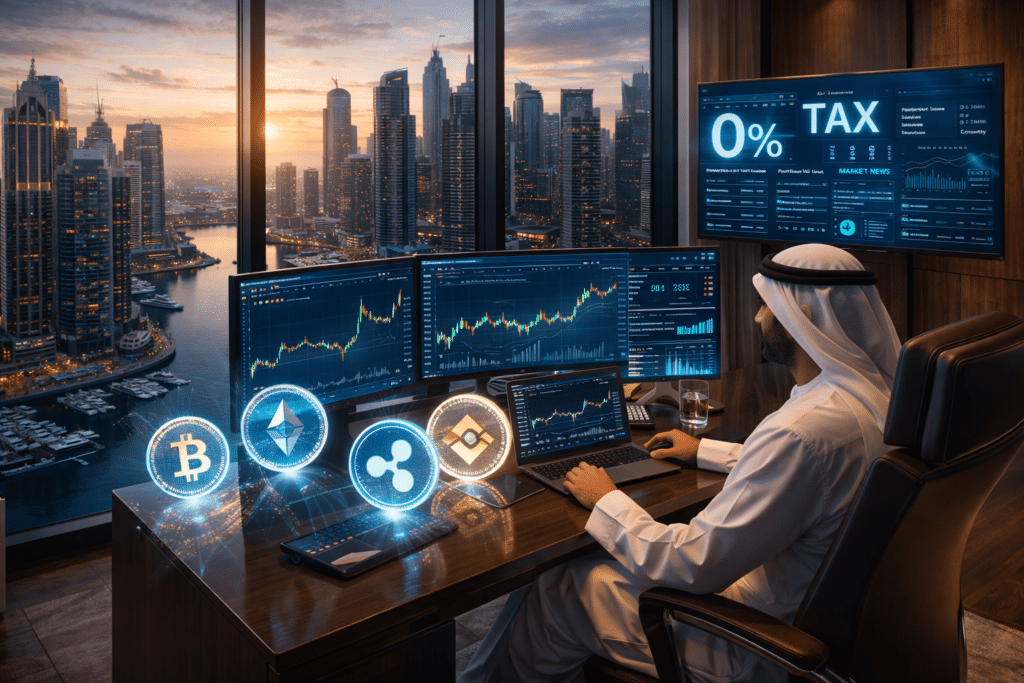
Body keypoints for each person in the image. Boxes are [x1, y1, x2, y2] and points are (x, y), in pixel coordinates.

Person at [458, 243, 902, 683]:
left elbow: (692, 563)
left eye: (767, 307)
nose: (757, 318)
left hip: (754, 641)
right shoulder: (870, 402)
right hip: (824, 618)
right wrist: (705, 450)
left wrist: (607, 499)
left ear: (800, 319)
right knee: (585, 571)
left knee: (561, 586)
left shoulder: (802, 431)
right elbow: (812, 475)